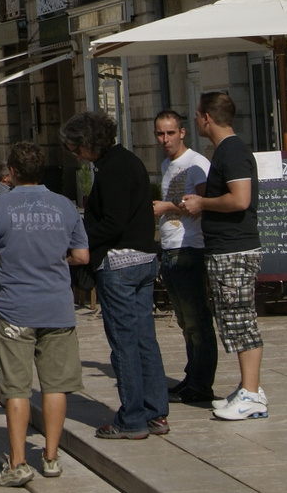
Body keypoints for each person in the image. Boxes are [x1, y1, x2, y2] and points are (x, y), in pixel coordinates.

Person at [0, 141, 90, 487]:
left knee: (16, 387)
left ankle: (18, 463)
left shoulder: (0, 206)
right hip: (56, 306)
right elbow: (82, 256)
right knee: (55, 385)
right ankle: (51, 457)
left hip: (15, 307)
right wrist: (58, 259)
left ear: (11, 172)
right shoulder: (64, 205)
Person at [64, 110, 166, 439]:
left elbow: (112, 222)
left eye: (77, 148)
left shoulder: (112, 170)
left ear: (90, 144)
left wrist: (79, 241)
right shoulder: (128, 161)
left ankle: (132, 418)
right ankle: (155, 411)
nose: (76, 155)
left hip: (120, 264)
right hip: (144, 259)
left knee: (124, 342)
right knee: (144, 339)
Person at [181, 92, 267, 422]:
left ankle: (252, 393)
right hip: (225, 249)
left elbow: (240, 199)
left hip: (235, 250)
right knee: (232, 320)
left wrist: (203, 204)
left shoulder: (232, 151)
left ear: (206, 118)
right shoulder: (225, 151)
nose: (197, 119)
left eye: (198, 115)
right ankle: (249, 388)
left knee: (241, 320)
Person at [150, 109, 216, 405]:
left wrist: (167, 208)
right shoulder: (167, 164)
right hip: (170, 246)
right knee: (184, 321)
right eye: (159, 134)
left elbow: (203, 204)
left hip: (190, 246)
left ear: (182, 133)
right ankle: (192, 376)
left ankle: (202, 383)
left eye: (169, 133)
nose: (164, 139)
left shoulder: (196, 163)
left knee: (197, 319)